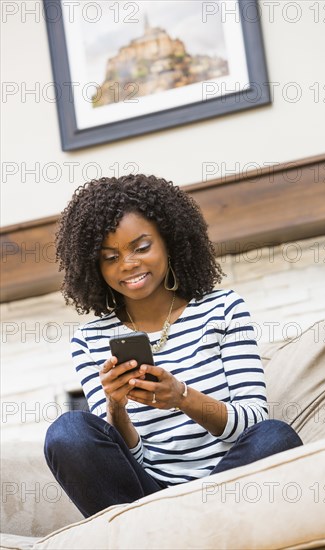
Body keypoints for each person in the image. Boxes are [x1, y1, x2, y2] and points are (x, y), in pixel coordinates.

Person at [44, 174, 302, 518]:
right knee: (68, 432)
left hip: (227, 481)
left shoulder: (223, 309)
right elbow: (128, 463)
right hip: (148, 499)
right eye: (110, 257)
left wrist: (182, 397)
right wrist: (116, 409)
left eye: (141, 247)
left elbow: (252, 422)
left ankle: (181, 533)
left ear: (169, 241)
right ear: (94, 266)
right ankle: (180, 531)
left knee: (275, 436)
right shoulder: (89, 341)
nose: (128, 264)